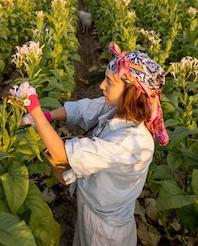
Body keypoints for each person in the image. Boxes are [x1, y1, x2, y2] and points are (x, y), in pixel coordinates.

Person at [17, 42, 168, 246]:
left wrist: (33, 107)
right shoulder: (119, 109)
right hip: (93, 204)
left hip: (104, 230)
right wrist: (47, 116)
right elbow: (83, 109)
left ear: (131, 92)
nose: (101, 86)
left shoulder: (132, 142)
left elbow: (61, 155)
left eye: (109, 82)